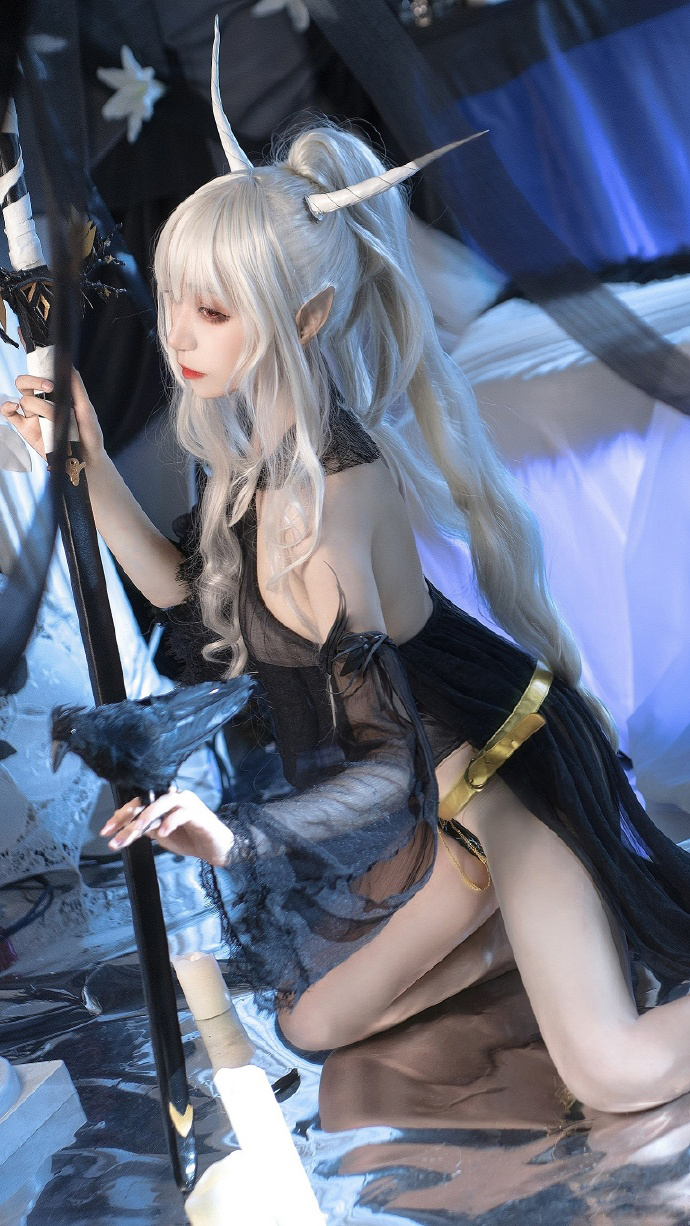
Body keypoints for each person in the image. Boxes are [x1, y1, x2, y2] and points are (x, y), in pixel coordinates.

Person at [4, 33, 690, 1117]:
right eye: (175, 301)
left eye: (213, 311)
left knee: (618, 1072)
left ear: (306, 319)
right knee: (309, 1028)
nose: (177, 336)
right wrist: (84, 462)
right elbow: (191, 593)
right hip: (442, 831)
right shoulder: (254, 458)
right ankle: (517, 934)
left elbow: (384, 760)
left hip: (501, 790)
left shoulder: (333, 491)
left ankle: (549, 918)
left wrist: (232, 836)